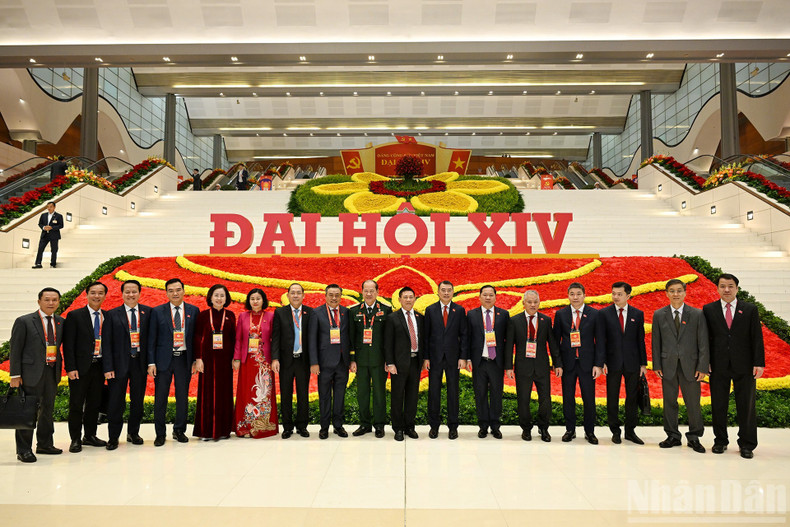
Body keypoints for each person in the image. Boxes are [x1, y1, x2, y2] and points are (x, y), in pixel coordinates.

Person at [702, 273, 765, 459]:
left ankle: (747, 444)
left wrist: (758, 363)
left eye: (730, 286)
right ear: (717, 288)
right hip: (718, 365)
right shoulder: (709, 309)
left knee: (746, 406)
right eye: (722, 286)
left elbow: (757, 337)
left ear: (737, 288)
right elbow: (705, 339)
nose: (726, 290)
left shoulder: (750, 309)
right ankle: (720, 441)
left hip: (744, 365)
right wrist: (705, 362)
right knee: (719, 405)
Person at [652, 278, 709, 454]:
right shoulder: (659, 314)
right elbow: (656, 341)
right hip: (667, 365)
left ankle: (694, 437)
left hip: (691, 366)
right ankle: (672, 436)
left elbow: (703, 342)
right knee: (669, 402)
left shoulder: (697, 314)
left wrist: (702, 366)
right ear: (666, 293)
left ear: (685, 292)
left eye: (679, 291)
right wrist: (657, 364)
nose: (675, 294)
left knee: (693, 403)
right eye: (672, 291)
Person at [8, 287, 64, 463]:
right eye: (47, 299)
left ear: (58, 302)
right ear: (39, 301)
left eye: (54, 300)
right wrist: (15, 375)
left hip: (51, 371)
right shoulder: (24, 321)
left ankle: (45, 444)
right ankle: (24, 449)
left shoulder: (60, 322)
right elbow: (15, 350)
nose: (51, 303)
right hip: (30, 373)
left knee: (47, 409)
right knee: (28, 411)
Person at [148, 278, 200, 447]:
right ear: (167, 293)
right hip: (163, 360)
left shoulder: (193, 310)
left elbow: (196, 338)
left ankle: (179, 430)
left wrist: (195, 360)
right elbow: (151, 339)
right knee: (160, 398)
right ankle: (160, 433)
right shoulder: (157, 311)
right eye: (171, 290)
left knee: (182, 397)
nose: (175, 293)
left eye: (178, 290)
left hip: (183, 359)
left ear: (184, 291)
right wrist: (151, 362)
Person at [102, 280, 151, 449]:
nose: (131, 295)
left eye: (134, 291)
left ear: (139, 293)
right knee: (116, 401)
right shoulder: (111, 314)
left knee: (137, 400)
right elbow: (106, 343)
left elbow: (151, 341)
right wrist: (107, 367)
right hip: (118, 365)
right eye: (127, 292)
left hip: (140, 363)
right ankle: (113, 437)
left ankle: (133, 433)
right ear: (122, 294)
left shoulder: (148, 313)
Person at [553, 282, 604, 444]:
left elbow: (600, 341)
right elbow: (555, 341)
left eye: (578, 294)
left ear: (584, 295)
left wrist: (598, 364)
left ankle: (590, 431)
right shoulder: (561, 314)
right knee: (568, 398)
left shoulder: (595, 314)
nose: (575, 297)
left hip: (588, 365)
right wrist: (557, 364)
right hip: (567, 364)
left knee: (589, 398)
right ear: (568, 295)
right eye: (572, 294)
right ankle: (570, 430)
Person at [597, 282, 647, 445]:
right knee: (612, 396)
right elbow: (601, 340)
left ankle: (630, 431)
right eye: (613, 294)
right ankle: (615, 430)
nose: (616, 297)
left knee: (632, 397)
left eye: (619, 294)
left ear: (628, 296)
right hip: (612, 362)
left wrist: (643, 364)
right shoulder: (604, 314)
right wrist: (601, 361)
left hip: (633, 362)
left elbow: (640, 340)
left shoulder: (637, 314)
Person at [508, 289, 561, 442]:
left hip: (542, 367)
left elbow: (552, 344)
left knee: (545, 399)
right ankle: (526, 428)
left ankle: (543, 427)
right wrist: (508, 367)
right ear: (524, 303)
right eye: (529, 302)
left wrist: (557, 363)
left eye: (535, 302)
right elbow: (509, 345)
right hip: (522, 366)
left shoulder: (545, 320)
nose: (532, 305)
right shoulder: (515, 321)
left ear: (539, 303)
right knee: (523, 399)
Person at [63, 281, 109, 453]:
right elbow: (68, 345)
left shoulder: (107, 316)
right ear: (87, 294)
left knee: (94, 403)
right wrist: (71, 367)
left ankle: (89, 435)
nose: (97, 296)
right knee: (76, 404)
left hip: (99, 367)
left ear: (105, 295)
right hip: (79, 369)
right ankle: (75, 439)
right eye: (93, 293)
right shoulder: (75, 316)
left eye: (100, 293)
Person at [423, 280, 468, 440]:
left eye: (449, 290)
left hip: (453, 358)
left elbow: (464, 335)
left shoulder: (459, 310)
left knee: (453, 393)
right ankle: (434, 426)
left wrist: (463, 357)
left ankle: (453, 426)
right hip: (434, 358)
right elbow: (426, 336)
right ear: (438, 292)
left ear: (453, 292)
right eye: (443, 290)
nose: (446, 293)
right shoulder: (430, 310)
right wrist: (426, 357)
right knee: (434, 393)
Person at [467, 285, 512, 439]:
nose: (487, 297)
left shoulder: (503, 315)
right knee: (480, 394)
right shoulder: (472, 315)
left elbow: (508, 341)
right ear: (479, 297)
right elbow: (467, 339)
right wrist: (467, 358)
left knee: (496, 394)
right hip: (479, 362)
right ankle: (483, 426)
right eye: (485, 295)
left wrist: (508, 364)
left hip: (496, 362)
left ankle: (495, 425)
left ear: (495, 297)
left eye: (491, 295)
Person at [348, 279, 391, 438]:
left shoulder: (386, 310)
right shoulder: (354, 311)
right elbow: (351, 337)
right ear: (362, 292)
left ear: (377, 292)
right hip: (360, 361)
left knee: (380, 394)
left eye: (372, 290)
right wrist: (352, 359)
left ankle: (379, 425)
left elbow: (388, 338)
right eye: (366, 290)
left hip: (379, 360)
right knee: (362, 394)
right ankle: (365, 424)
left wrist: (389, 359)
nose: (369, 293)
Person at [193, 284, 236, 440]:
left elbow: (234, 338)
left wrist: (235, 358)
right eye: (216, 295)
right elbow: (197, 338)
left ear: (226, 298)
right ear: (210, 297)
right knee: (207, 394)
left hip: (225, 361)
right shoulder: (203, 315)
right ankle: (206, 431)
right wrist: (198, 359)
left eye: (222, 295)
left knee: (225, 393)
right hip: (207, 361)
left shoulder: (230, 315)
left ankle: (224, 430)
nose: (219, 298)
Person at [308, 283, 351, 440]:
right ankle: (324, 427)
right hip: (324, 362)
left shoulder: (346, 312)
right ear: (325, 296)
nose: (334, 298)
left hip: (342, 362)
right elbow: (312, 339)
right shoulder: (316, 313)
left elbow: (350, 338)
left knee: (340, 395)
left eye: (337, 295)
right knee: (324, 396)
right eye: (331, 295)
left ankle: (338, 426)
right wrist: (314, 362)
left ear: (341, 296)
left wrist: (351, 359)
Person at [234, 288, 279, 438]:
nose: (255, 301)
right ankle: (246, 427)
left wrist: (274, 359)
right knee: (246, 392)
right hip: (248, 361)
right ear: (249, 301)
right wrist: (237, 358)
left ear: (263, 300)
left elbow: (275, 340)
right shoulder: (243, 316)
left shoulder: (271, 316)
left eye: (258, 298)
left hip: (264, 363)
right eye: (252, 298)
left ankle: (264, 426)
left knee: (264, 393)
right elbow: (239, 339)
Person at [384, 287, 426, 441]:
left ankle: (409, 426)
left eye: (411, 297)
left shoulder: (420, 317)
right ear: (399, 299)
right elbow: (387, 343)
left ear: (415, 299)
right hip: (399, 364)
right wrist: (390, 363)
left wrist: (424, 359)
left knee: (412, 396)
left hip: (415, 362)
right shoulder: (392, 318)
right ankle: (398, 428)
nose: (408, 300)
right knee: (397, 396)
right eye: (405, 297)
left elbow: (423, 341)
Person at [271, 283, 312, 439]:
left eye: (298, 293)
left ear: (303, 295)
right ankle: (287, 426)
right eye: (292, 293)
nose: (295, 295)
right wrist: (275, 358)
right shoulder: (280, 313)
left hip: (303, 360)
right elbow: (275, 338)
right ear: (287, 295)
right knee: (286, 394)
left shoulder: (310, 312)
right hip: (286, 361)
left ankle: (302, 426)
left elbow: (312, 338)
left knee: (303, 394)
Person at [32, 202, 63, 269]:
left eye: (51, 206)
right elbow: (40, 224)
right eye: (48, 207)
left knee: (54, 250)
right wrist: (44, 227)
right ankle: (38, 263)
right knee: (40, 248)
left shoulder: (58, 216)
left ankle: (53, 264)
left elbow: (61, 225)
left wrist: (52, 227)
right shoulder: (43, 215)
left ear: (54, 207)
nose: (49, 208)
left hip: (54, 235)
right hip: (45, 234)